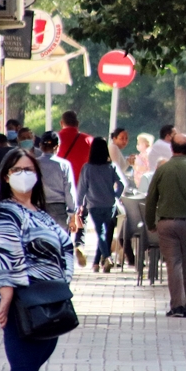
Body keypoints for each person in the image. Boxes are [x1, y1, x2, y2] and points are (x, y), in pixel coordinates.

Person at [0, 148, 74, 371]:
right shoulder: (4, 212)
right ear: (6, 177)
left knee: (27, 369)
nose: (24, 175)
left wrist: (62, 282)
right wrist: (7, 292)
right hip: (23, 301)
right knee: (23, 368)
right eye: (17, 170)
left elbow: (65, 245)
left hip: (50, 298)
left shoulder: (40, 212)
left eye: (29, 170)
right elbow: (3, 250)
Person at [145, 133, 186, 317]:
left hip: (166, 225)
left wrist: (150, 223)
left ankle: (177, 305)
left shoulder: (162, 170)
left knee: (173, 264)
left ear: (172, 148)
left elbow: (151, 199)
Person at [75, 138, 127, 273]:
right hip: (110, 204)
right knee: (102, 232)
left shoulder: (87, 168)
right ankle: (97, 264)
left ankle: (107, 258)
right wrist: (116, 196)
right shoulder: (112, 166)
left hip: (93, 204)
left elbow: (82, 188)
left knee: (100, 232)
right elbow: (122, 184)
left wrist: (79, 204)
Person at [36, 132, 77, 234]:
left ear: (40, 146)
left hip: (39, 207)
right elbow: (69, 190)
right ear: (57, 146)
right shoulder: (64, 165)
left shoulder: (34, 164)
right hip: (59, 210)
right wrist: (72, 215)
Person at [57, 111, 93, 184]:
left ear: (61, 123)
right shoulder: (89, 140)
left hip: (60, 183)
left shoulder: (55, 139)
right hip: (83, 185)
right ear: (77, 123)